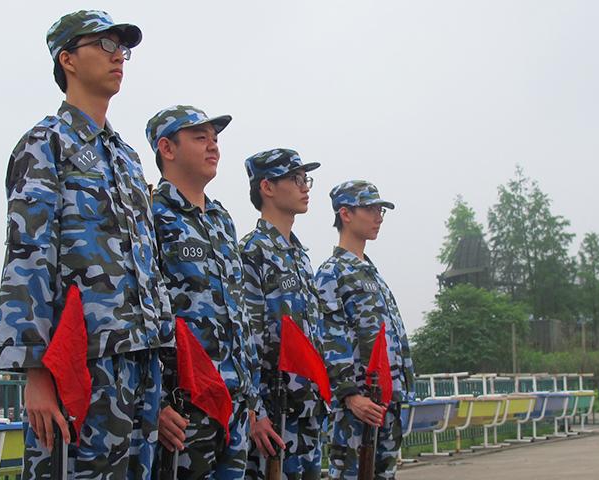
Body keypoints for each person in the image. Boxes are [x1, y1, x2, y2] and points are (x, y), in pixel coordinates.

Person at [0, 10, 182, 479]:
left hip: (139, 363)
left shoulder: (126, 158)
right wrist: (35, 373)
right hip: (80, 364)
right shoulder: (46, 143)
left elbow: (148, 264)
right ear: (67, 59)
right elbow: (27, 256)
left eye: (122, 48)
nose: (118, 55)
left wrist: (159, 366)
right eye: (104, 45)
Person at [147, 105, 255, 479]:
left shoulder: (221, 220)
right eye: (200, 138)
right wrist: (156, 402)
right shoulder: (150, 215)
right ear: (167, 148)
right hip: (185, 407)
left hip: (234, 404)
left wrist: (250, 396)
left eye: (215, 139)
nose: (214, 147)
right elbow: (143, 311)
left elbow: (238, 313)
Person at [314, 180, 416, 480]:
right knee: (349, 474)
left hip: (387, 399)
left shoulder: (370, 272)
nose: (378, 216)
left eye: (380, 210)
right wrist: (349, 395)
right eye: (370, 209)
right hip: (358, 404)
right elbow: (329, 336)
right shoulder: (332, 272)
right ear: (345, 214)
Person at [240, 149, 328, 480]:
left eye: (306, 179)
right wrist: (254, 411)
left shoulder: (299, 257)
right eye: (295, 178)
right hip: (274, 416)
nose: (305, 186)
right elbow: (248, 339)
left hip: (307, 411)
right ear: (267, 187)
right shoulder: (253, 252)